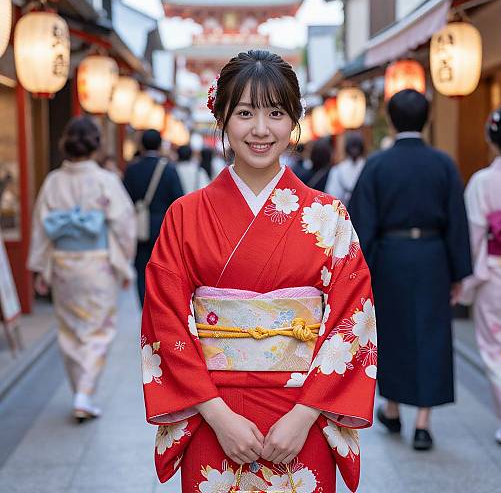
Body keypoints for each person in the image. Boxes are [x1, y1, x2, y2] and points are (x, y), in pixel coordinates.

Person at [141, 50, 376, 493]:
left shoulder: (329, 216)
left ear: (294, 122)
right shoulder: (184, 215)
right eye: (245, 112)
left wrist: (304, 416)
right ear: (223, 118)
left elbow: (353, 319)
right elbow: (163, 319)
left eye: (276, 112)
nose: (261, 129)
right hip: (213, 413)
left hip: (304, 417)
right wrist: (217, 415)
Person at [349, 89, 472, 451]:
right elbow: (457, 222)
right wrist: (458, 272)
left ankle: (391, 407)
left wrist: (361, 270)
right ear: (427, 118)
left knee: (392, 332)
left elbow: (361, 223)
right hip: (433, 255)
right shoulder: (443, 164)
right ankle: (423, 422)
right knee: (431, 334)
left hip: (389, 257)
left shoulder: (377, 165)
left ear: (391, 117)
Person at [28, 116, 136, 421]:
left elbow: (40, 227)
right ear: (96, 146)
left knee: (71, 330)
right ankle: (84, 393)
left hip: (63, 263)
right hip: (97, 263)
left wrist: (39, 268)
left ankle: (81, 391)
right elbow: (125, 224)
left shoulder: (53, 181)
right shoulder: (105, 180)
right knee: (98, 329)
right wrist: (125, 263)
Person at [458, 105, 501, 446]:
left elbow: (474, 234)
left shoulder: (483, 182)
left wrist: (465, 280)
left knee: (496, 349)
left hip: (497, 273)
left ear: (491, 139)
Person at [123, 129, 183, 305]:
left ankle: (145, 304)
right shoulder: (169, 169)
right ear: (159, 145)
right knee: (162, 267)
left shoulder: (132, 169)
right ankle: (160, 304)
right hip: (163, 225)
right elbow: (178, 199)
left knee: (141, 267)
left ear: (142, 145)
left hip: (139, 226)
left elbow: (125, 199)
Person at [326, 132, 366, 205]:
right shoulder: (369, 167)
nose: (354, 150)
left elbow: (332, 197)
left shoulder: (337, 170)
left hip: (343, 211)